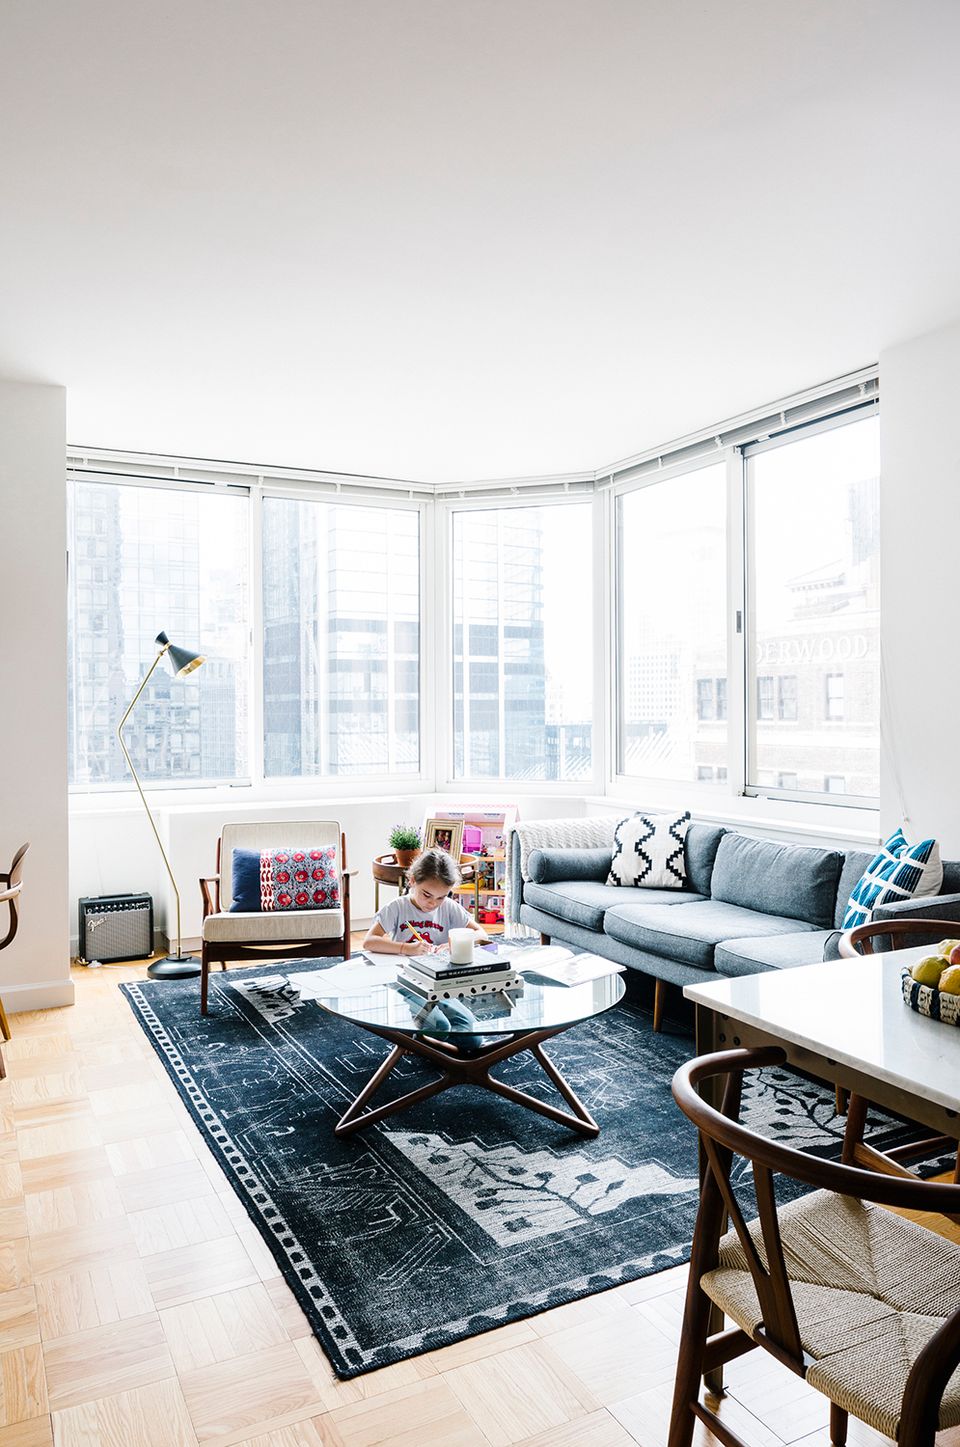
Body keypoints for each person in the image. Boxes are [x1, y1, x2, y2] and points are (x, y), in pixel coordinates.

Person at [364, 848, 490, 955]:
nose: (433, 903)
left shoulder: (449, 907)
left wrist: (453, 944)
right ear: (413, 881)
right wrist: (405, 948)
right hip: (405, 969)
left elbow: (481, 934)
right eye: (426, 895)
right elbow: (369, 941)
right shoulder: (397, 907)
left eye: (441, 897)